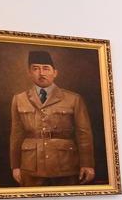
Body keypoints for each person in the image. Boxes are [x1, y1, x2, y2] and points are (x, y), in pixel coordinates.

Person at [8, 50, 96, 186]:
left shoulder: (73, 99)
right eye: (35, 69)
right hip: (31, 165)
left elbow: (83, 134)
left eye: (46, 68)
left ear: (55, 73)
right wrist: (15, 166)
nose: (41, 73)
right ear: (29, 72)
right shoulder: (19, 99)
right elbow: (16, 134)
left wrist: (87, 164)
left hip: (65, 164)